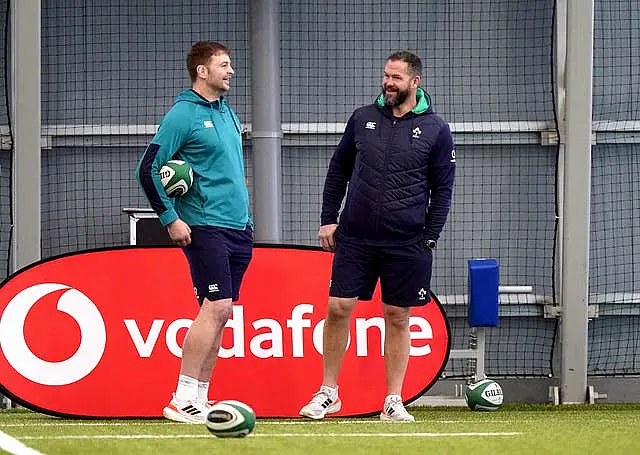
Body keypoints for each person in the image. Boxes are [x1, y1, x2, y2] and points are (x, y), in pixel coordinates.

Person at [299, 51, 456, 422]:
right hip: (355, 237)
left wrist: (430, 237)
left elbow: (443, 189)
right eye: (386, 75)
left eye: (396, 78)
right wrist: (327, 219)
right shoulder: (362, 118)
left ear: (415, 83)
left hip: (407, 242)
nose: (388, 83)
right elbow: (338, 170)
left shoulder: (436, 129)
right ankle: (328, 393)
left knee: (397, 316)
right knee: (338, 309)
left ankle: (393, 401)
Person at [136, 41, 252, 424]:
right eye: (223, 64)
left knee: (221, 313)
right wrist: (170, 218)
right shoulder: (181, 115)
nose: (230, 71)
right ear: (202, 71)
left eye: (230, 64)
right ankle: (181, 396)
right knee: (216, 307)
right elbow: (148, 169)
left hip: (238, 228)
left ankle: (200, 399)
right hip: (204, 226)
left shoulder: (229, 114)